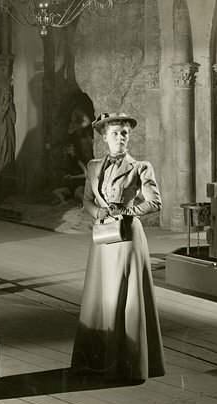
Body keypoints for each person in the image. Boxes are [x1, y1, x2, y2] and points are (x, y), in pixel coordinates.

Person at [70, 112, 165, 383]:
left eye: (124, 133)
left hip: (127, 238)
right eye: (115, 134)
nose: (121, 138)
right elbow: (88, 200)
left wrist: (126, 210)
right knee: (101, 297)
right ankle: (98, 362)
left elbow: (155, 202)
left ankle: (128, 366)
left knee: (127, 297)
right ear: (104, 137)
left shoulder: (140, 167)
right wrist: (98, 213)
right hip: (103, 238)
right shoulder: (93, 166)